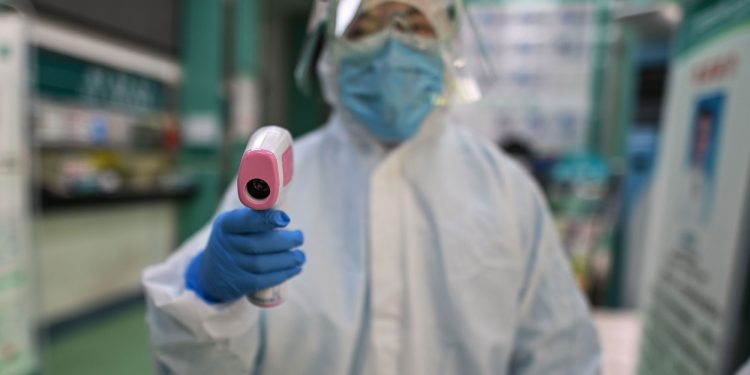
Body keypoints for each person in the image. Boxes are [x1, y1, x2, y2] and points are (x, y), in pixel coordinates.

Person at [142, 0, 601, 373]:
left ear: (448, 42)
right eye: (365, 27)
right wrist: (209, 295)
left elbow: (560, 355)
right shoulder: (283, 176)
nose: (391, 50)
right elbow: (197, 363)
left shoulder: (507, 191)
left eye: (412, 23)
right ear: (329, 50)